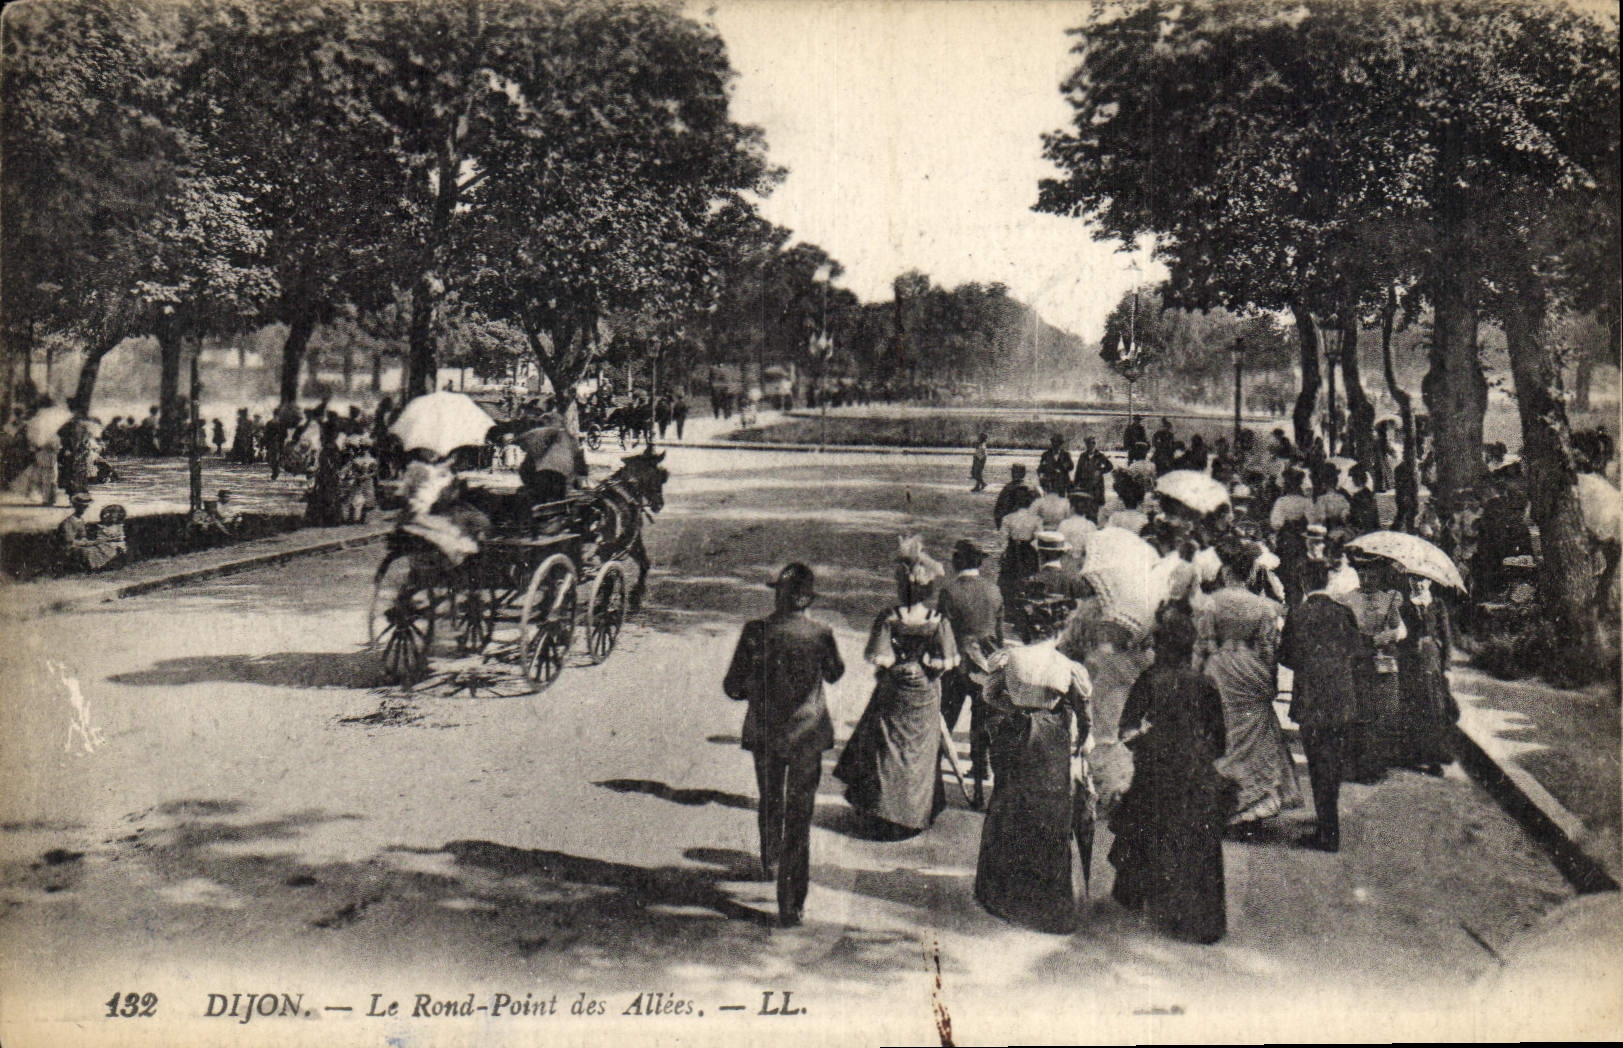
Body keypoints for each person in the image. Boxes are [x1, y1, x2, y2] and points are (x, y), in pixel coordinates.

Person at [722, 563, 845, 928]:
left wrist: (753, 692)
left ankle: (771, 858)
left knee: (770, 797)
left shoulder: (755, 631)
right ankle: (791, 904)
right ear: (808, 600)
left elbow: (732, 686)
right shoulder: (821, 633)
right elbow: (835, 673)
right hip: (807, 734)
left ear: (778, 595)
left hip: (766, 734)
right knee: (800, 816)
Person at [974, 591, 1093, 933]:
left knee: (1009, 803)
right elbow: (1084, 716)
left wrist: (1012, 709)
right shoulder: (1066, 666)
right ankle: (1043, 894)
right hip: (1051, 738)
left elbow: (989, 694)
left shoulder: (1010, 658)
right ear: (1057, 632)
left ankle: (1001, 891)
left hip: (1015, 733)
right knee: (1050, 811)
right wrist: (1080, 740)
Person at [1109, 609, 1229, 943]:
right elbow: (1220, 742)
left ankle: (1138, 894)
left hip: (1155, 769)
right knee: (1197, 841)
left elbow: (1127, 729)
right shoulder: (1205, 684)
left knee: (1142, 820)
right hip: (1195, 772)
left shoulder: (1150, 679)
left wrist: (1145, 746)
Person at [834, 540, 958, 838]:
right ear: (927, 590)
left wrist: (897, 666)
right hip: (925, 689)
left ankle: (881, 809)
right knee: (920, 748)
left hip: (895, 685)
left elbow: (880, 656)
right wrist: (925, 667)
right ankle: (914, 811)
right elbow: (945, 661)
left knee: (887, 744)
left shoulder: (890, 617)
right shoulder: (936, 620)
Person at [1196, 542, 1303, 828]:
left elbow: (1204, 643)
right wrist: (1270, 683)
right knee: (1254, 730)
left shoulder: (1211, 602)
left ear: (1226, 571)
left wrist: (1198, 673)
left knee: (1221, 728)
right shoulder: (1263, 607)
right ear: (1252, 573)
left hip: (1220, 666)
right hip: (1250, 669)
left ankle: (1218, 800)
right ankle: (1252, 800)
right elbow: (1269, 650)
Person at [1279, 558, 1372, 852]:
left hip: (1311, 699)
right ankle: (1327, 822)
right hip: (1341, 698)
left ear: (1305, 582)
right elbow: (1357, 651)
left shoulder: (1298, 614)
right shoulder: (1343, 613)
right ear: (1327, 582)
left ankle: (1327, 831)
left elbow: (1286, 656)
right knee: (1332, 762)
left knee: (1318, 763)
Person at [938, 539, 1004, 808]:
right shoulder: (994, 591)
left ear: (959, 562)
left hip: (956, 666)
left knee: (944, 723)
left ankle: (931, 786)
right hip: (985, 667)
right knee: (981, 728)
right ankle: (979, 788)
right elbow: (999, 636)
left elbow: (940, 632)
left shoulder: (950, 592)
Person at [1334, 551, 1407, 780]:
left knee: (1383, 713)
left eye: (1372, 575)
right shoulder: (1347, 599)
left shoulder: (1390, 598)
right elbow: (1342, 631)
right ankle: (1356, 766)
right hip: (1358, 661)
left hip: (1383, 662)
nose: (1367, 580)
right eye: (1362, 575)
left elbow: (1400, 630)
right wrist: (1362, 639)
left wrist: (1389, 634)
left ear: (1379, 576)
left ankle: (1376, 764)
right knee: (1359, 713)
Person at [1393, 575, 1457, 776]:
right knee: (1413, 706)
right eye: (1414, 579)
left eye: (1423, 580)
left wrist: (1447, 667)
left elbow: (1446, 638)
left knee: (1434, 708)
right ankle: (1413, 754)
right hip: (1410, 661)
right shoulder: (1403, 605)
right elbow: (1398, 635)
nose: (1418, 583)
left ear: (1430, 582)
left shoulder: (1437, 605)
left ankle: (1434, 758)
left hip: (1432, 660)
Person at [516, 412, 581, 505]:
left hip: (543, 476)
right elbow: (579, 464)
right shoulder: (570, 438)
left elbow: (525, 469)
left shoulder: (538, 434)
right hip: (561, 479)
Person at [56, 494, 97, 569]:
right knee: (88, 551)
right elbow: (68, 540)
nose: (84, 510)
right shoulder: (68, 522)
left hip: (78, 544)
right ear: (76, 507)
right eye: (82, 507)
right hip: (68, 548)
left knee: (97, 548)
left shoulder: (80, 520)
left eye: (85, 507)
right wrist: (84, 543)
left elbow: (83, 535)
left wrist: (87, 541)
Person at [1072, 436, 1113, 508]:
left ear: (1094, 445)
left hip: (1096, 485)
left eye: (1091, 444)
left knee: (1095, 505)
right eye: (1088, 444)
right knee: (1085, 504)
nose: (1089, 446)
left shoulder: (1099, 456)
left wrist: (1100, 471)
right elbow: (1078, 471)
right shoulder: (1083, 456)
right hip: (1084, 484)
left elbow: (1110, 466)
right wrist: (1076, 484)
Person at [992, 463, 1036, 528]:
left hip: (1011, 524)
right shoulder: (1032, 488)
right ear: (1024, 474)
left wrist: (999, 525)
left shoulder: (1008, 488)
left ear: (1012, 473)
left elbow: (999, 509)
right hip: (1028, 525)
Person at [1347, 465, 1380, 535]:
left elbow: (1356, 515)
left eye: (1353, 478)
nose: (1352, 480)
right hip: (1372, 528)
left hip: (1362, 529)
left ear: (1357, 479)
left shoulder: (1357, 496)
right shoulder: (1369, 493)